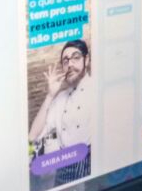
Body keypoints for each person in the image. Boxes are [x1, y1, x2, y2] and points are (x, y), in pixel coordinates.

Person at [28, 39, 94, 183]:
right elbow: (34, 135)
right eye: (65, 61)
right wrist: (50, 95)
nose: (70, 64)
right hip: (63, 172)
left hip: (90, 167)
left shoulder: (98, 88)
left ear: (87, 60)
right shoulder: (60, 98)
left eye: (76, 58)